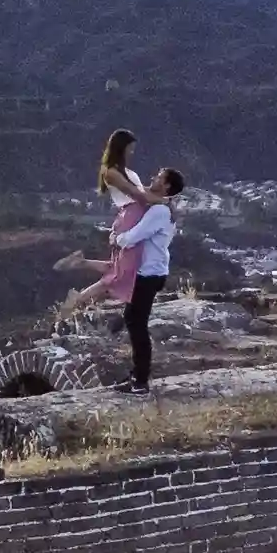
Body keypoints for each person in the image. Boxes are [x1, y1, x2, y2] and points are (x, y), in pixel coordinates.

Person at [58, 129, 155, 324]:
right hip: (130, 219)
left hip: (135, 218)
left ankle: (82, 263)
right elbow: (137, 195)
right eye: (130, 149)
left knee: (123, 267)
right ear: (121, 148)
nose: (131, 153)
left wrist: (162, 196)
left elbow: (142, 193)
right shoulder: (111, 173)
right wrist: (161, 203)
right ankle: (73, 303)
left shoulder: (126, 172)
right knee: (120, 273)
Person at [109, 169, 184, 389]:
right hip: (152, 272)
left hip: (148, 274)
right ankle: (136, 375)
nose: (153, 178)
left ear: (167, 186)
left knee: (137, 324)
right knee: (134, 320)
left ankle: (140, 381)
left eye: (159, 177)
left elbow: (133, 238)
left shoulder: (160, 211)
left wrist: (116, 238)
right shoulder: (163, 208)